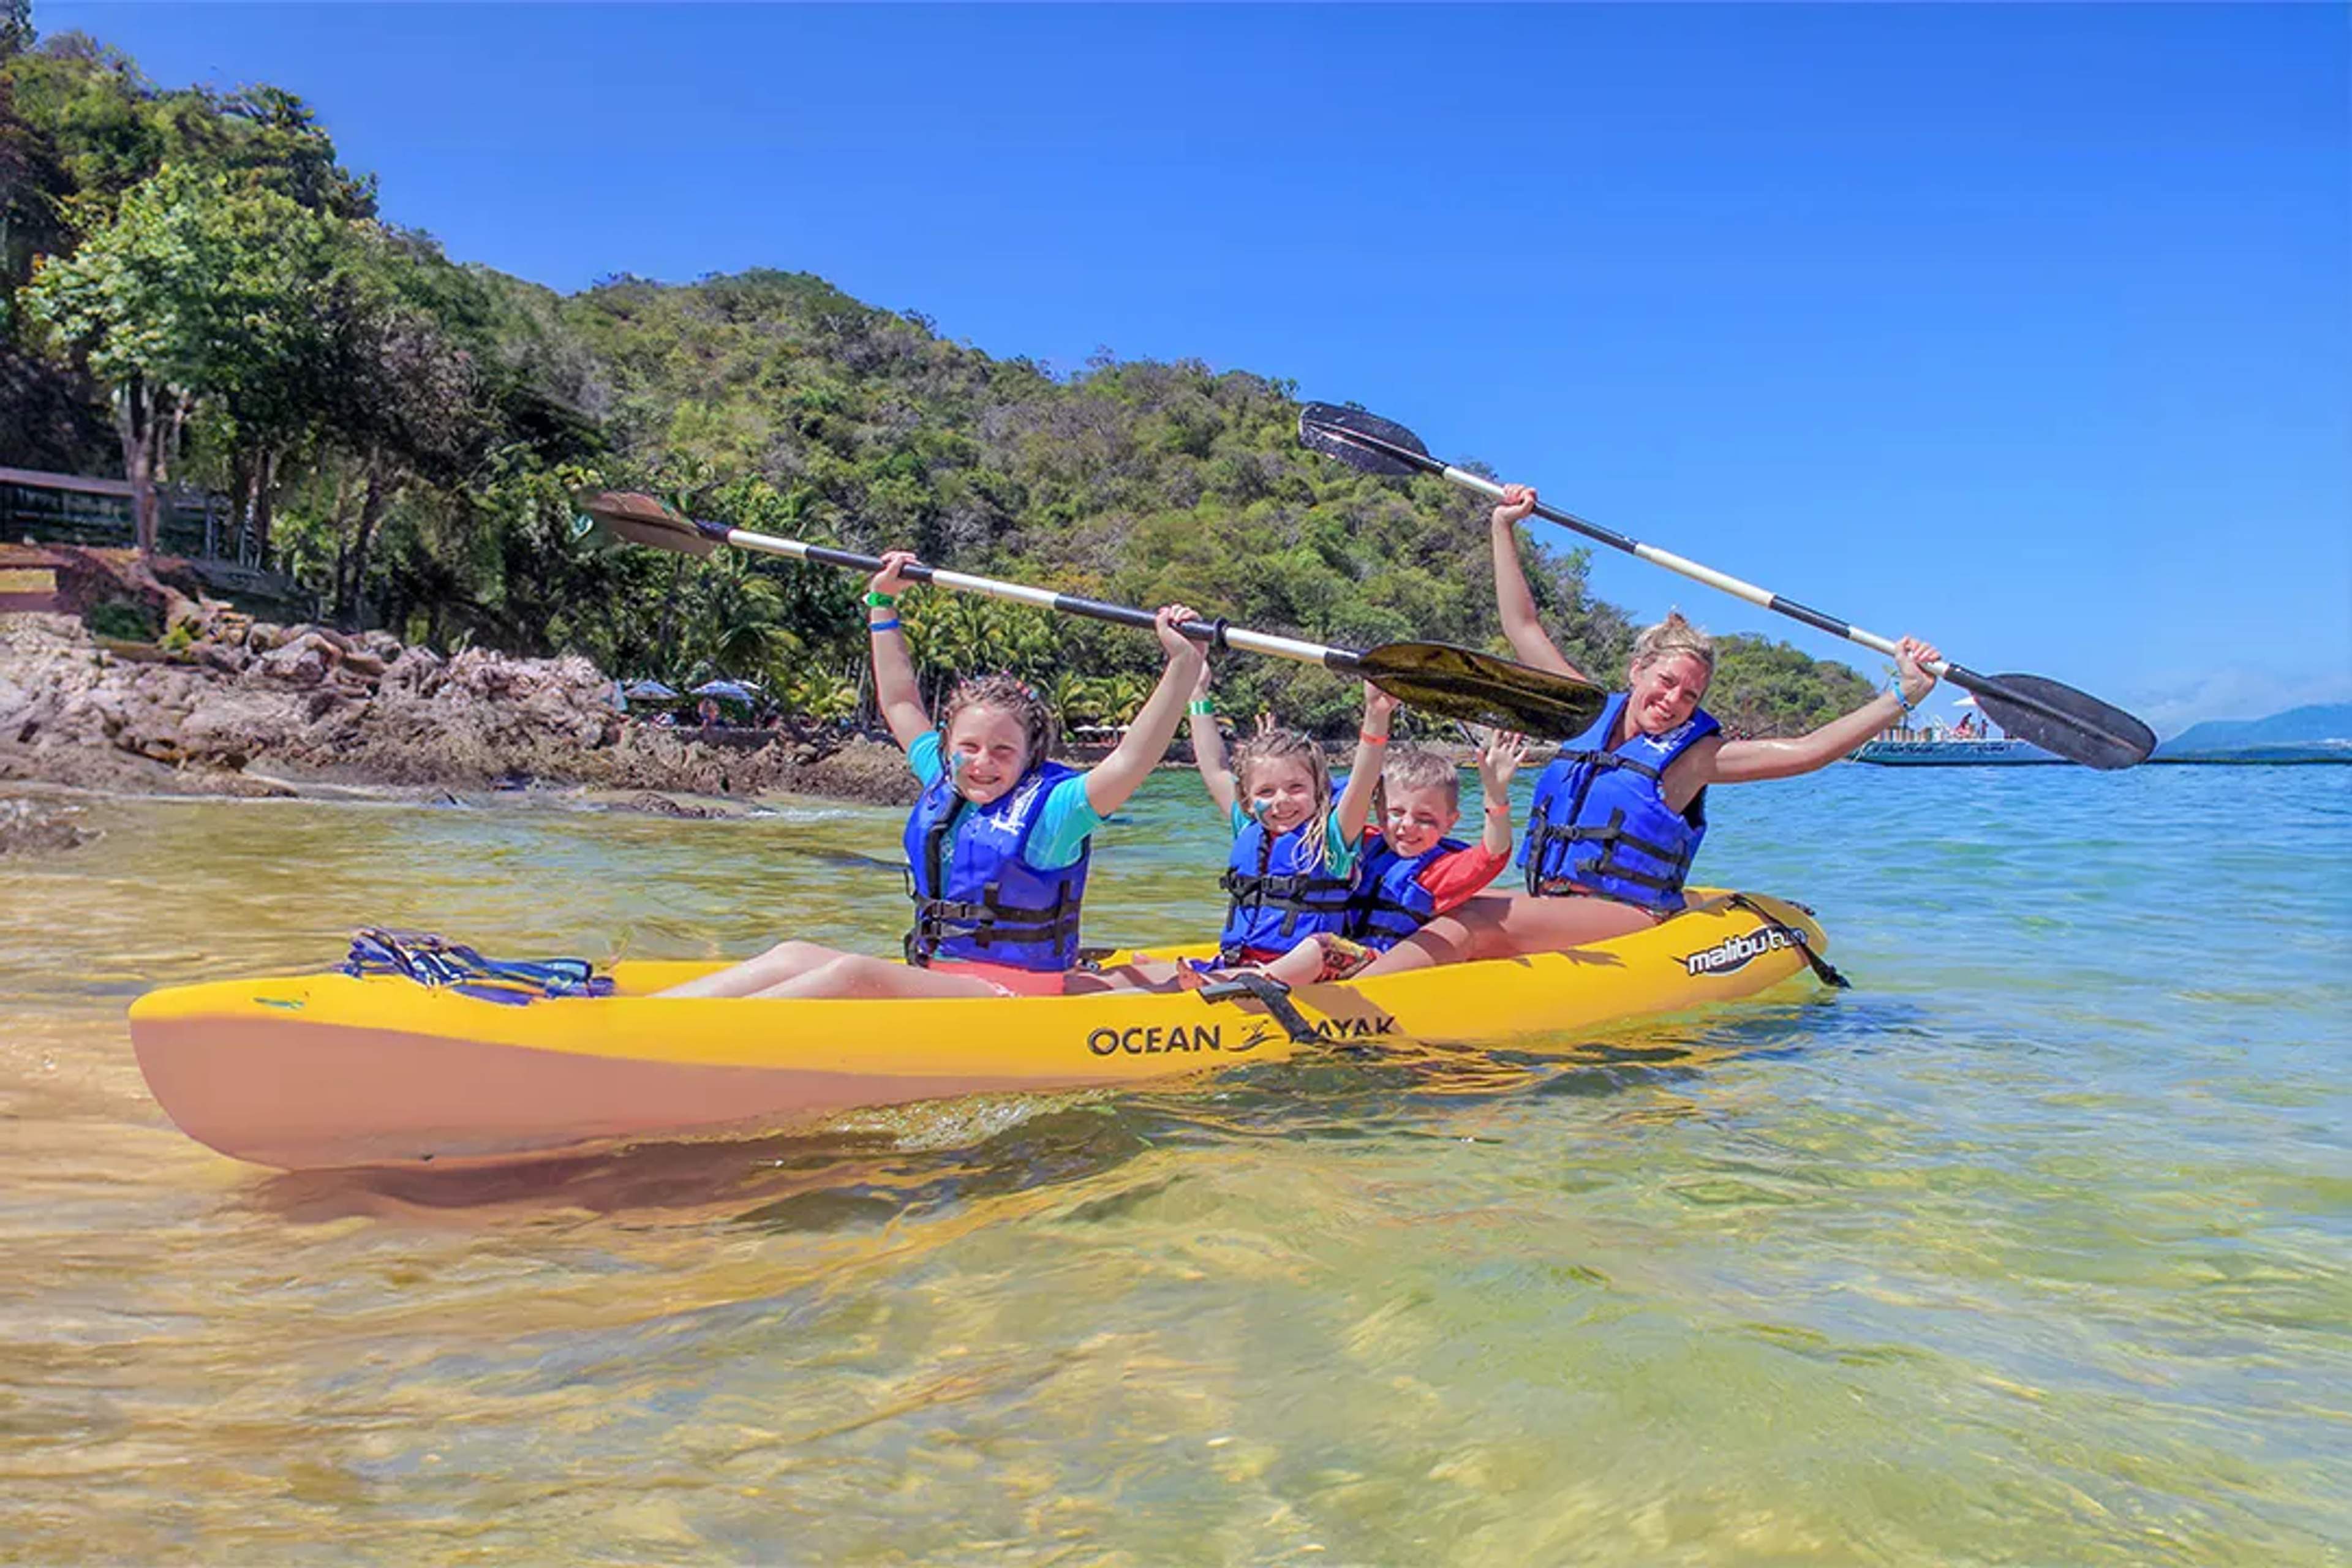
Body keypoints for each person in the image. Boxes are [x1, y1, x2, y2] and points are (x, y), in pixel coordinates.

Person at [1357, 483, 1943, 974]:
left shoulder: (1694, 756)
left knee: (1476, 920)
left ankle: (1339, 1003)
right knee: (1429, 902)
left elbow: (1809, 751)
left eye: (1691, 694)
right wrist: (1503, 526)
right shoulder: (1585, 711)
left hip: (1628, 912)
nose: (1674, 701)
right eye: (1665, 683)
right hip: (1553, 901)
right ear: (1637, 671)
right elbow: (1522, 626)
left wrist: (1901, 695)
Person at [660, 550, 1207, 1000]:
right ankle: (649, 1018)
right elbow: (899, 700)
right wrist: (882, 606)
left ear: (1028, 756)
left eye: (1002, 751)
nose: (982, 762)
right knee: (792, 955)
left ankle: (680, 1043)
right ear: (948, 747)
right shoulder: (944, 780)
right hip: (939, 977)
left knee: (852, 975)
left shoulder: (1055, 812)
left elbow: (1133, 758)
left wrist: (1182, 664)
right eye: (968, 747)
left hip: (1009, 994)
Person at [1186, 673, 1390, 967]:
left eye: (1296, 788)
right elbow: (1214, 767)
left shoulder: (1333, 838)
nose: (1281, 801)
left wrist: (1376, 713)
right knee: (1132, 975)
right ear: (1248, 797)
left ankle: (1236, 983)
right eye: (1266, 792)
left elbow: (1364, 778)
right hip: (1241, 963)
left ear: (1318, 789)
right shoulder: (1248, 824)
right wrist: (1197, 694)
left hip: (1310, 968)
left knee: (1314, 950)